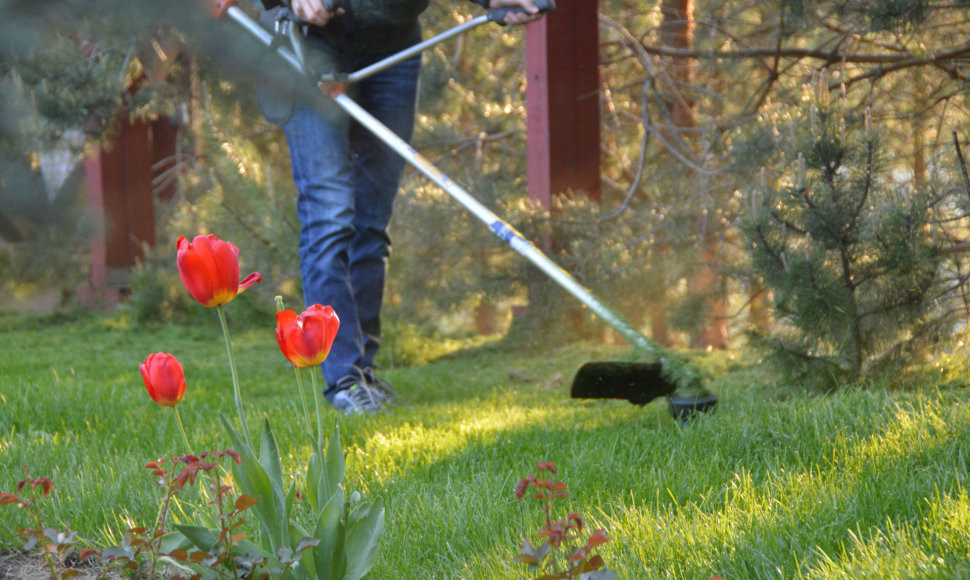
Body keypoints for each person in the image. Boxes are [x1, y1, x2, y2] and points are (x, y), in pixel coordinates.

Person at [265, 0, 542, 413]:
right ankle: (342, 377)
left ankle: (364, 372)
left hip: (393, 53)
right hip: (309, 48)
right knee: (329, 217)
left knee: (371, 222)